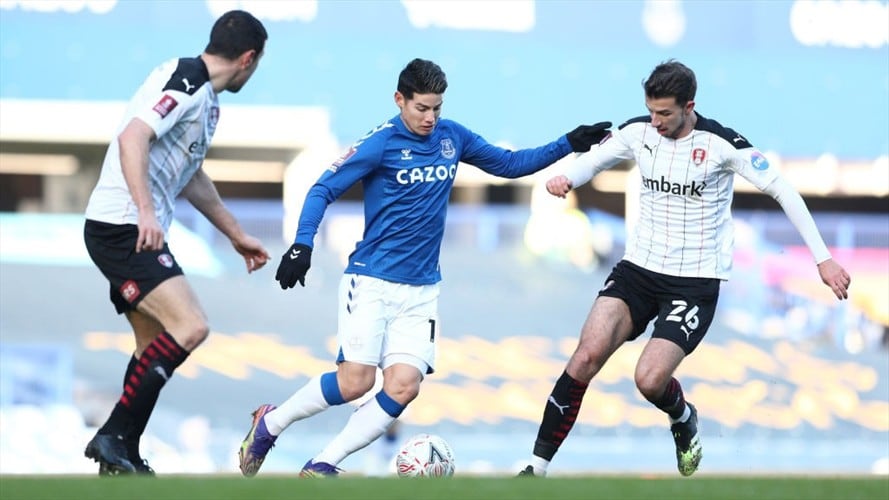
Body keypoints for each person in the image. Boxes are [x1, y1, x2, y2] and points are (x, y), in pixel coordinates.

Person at [237, 57, 612, 478]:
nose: (431, 118)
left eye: (437, 108)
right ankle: (270, 424)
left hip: (421, 289)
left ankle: (324, 464)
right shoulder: (381, 143)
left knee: (404, 386)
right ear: (400, 100)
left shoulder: (452, 137)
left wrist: (568, 143)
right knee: (355, 383)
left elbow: (509, 165)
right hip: (372, 279)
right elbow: (323, 187)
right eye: (422, 108)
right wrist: (302, 244)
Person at [517, 60, 851, 478]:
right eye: (651, 111)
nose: (655, 121)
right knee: (585, 356)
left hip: (693, 283)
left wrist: (823, 258)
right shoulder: (639, 131)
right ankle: (536, 467)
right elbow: (595, 161)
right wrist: (566, 177)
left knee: (649, 379)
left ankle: (682, 417)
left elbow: (783, 190)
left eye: (664, 114)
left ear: (689, 106)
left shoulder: (722, 144)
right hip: (638, 271)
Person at [82, 10, 269, 475]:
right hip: (124, 226)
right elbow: (133, 137)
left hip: (126, 226)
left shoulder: (204, 97)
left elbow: (192, 178)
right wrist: (145, 211)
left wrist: (235, 234)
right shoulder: (186, 81)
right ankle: (111, 437)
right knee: (191, 326)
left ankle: (121, 454)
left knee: (152, 346)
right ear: (248, 58)